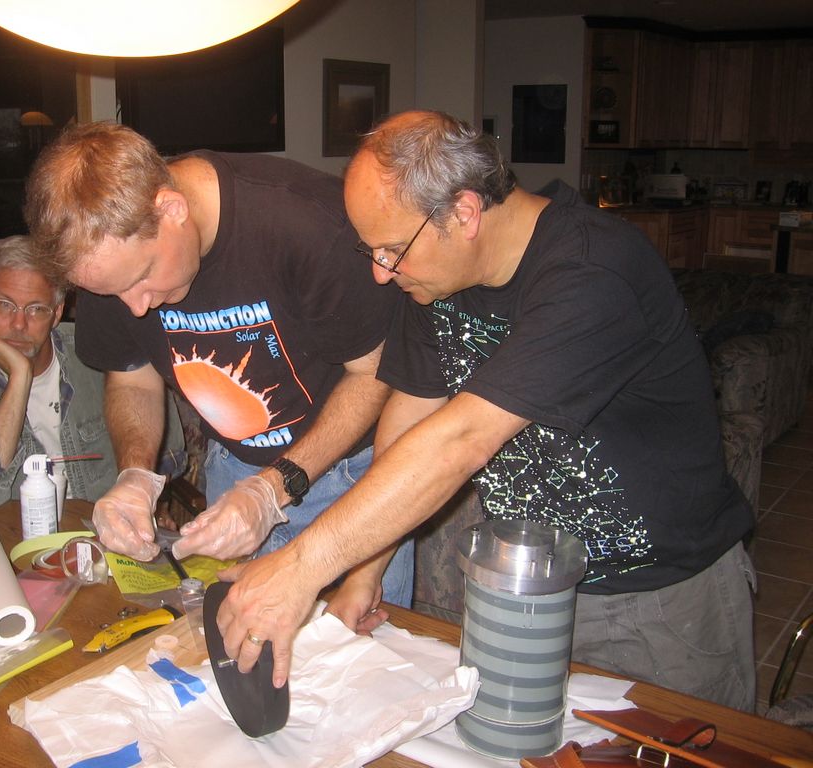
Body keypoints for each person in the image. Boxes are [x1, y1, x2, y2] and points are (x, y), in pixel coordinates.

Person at [215, 110, 756, 712]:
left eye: (392, 249)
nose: (380, 272)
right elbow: (409, 425)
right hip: (520, 589)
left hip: (657, 603)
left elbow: (460, 440)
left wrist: (300, 567)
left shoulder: (594, 267)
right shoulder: (435, 280)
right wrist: (366, 571)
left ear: (465, 213)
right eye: (372, 250)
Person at [22, 121, 414, 606]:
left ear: (172, 209)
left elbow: (374, 374)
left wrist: (274, 489)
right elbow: (133, 379)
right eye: (112, 294)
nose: (136, 307)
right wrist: (136, 476)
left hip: (349, 482)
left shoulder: (308, 224)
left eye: (142, 278)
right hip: (233, 474)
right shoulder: (109, 262)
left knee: (357, 650)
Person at [0, 235, 137, 508]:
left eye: (36, 309)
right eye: (4, 305)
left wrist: (150, 498)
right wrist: (20, 377)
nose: (18, 324)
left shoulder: (99, 352)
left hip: (103, 524)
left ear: (57, 312)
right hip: (12, 531)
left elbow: (166, 451)